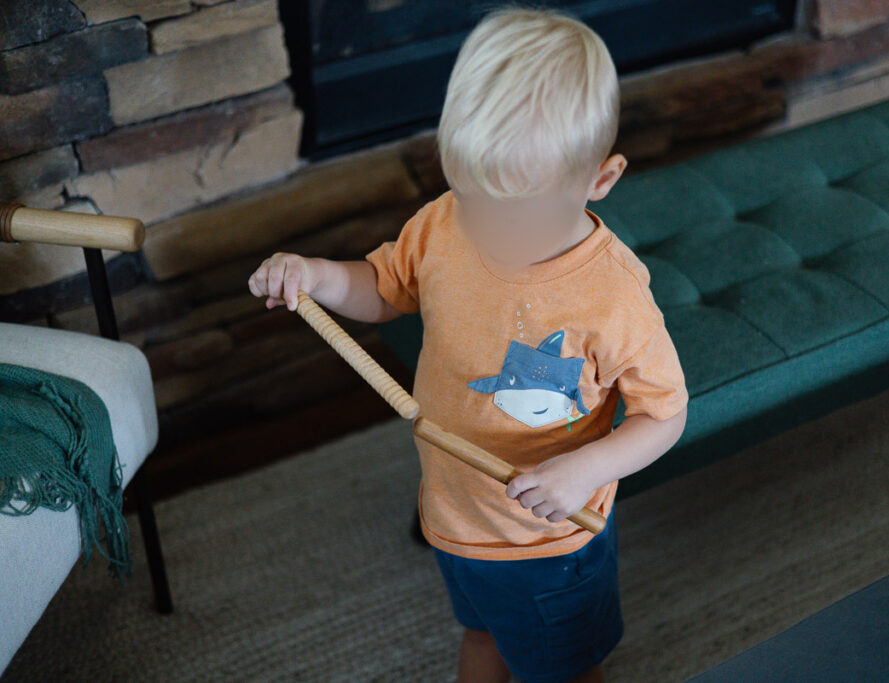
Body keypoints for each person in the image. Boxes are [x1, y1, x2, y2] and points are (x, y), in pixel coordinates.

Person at [248, 5, 688, 681]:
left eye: (521, 215)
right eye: (474, 198)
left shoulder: (614, 295)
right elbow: (385, 285)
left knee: (564, 667)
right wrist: (316, 276)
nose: (489, 232)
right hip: (453, 511)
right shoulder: (444, 225)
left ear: (600, 180)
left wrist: (588, 468)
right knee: (481, 637)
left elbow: (666, 413)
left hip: (549, 539)